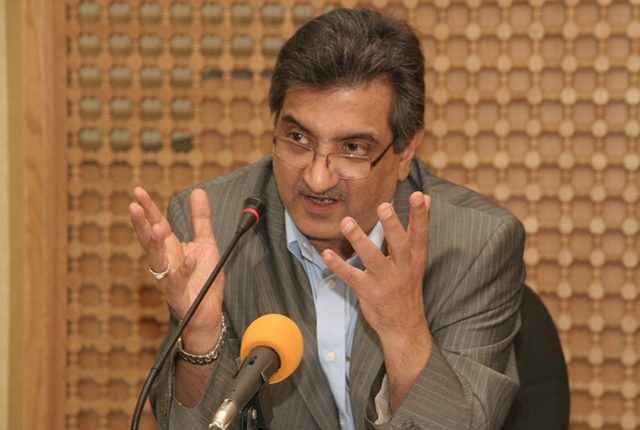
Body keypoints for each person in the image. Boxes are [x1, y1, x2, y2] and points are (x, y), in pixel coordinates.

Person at [129, 7, 525, 430]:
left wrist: (404, 330)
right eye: (298, 138)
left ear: (405, 151)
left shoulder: (475, 245)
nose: (317, 179)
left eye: (353, 148)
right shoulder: (218, 229)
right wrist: (201, 336)